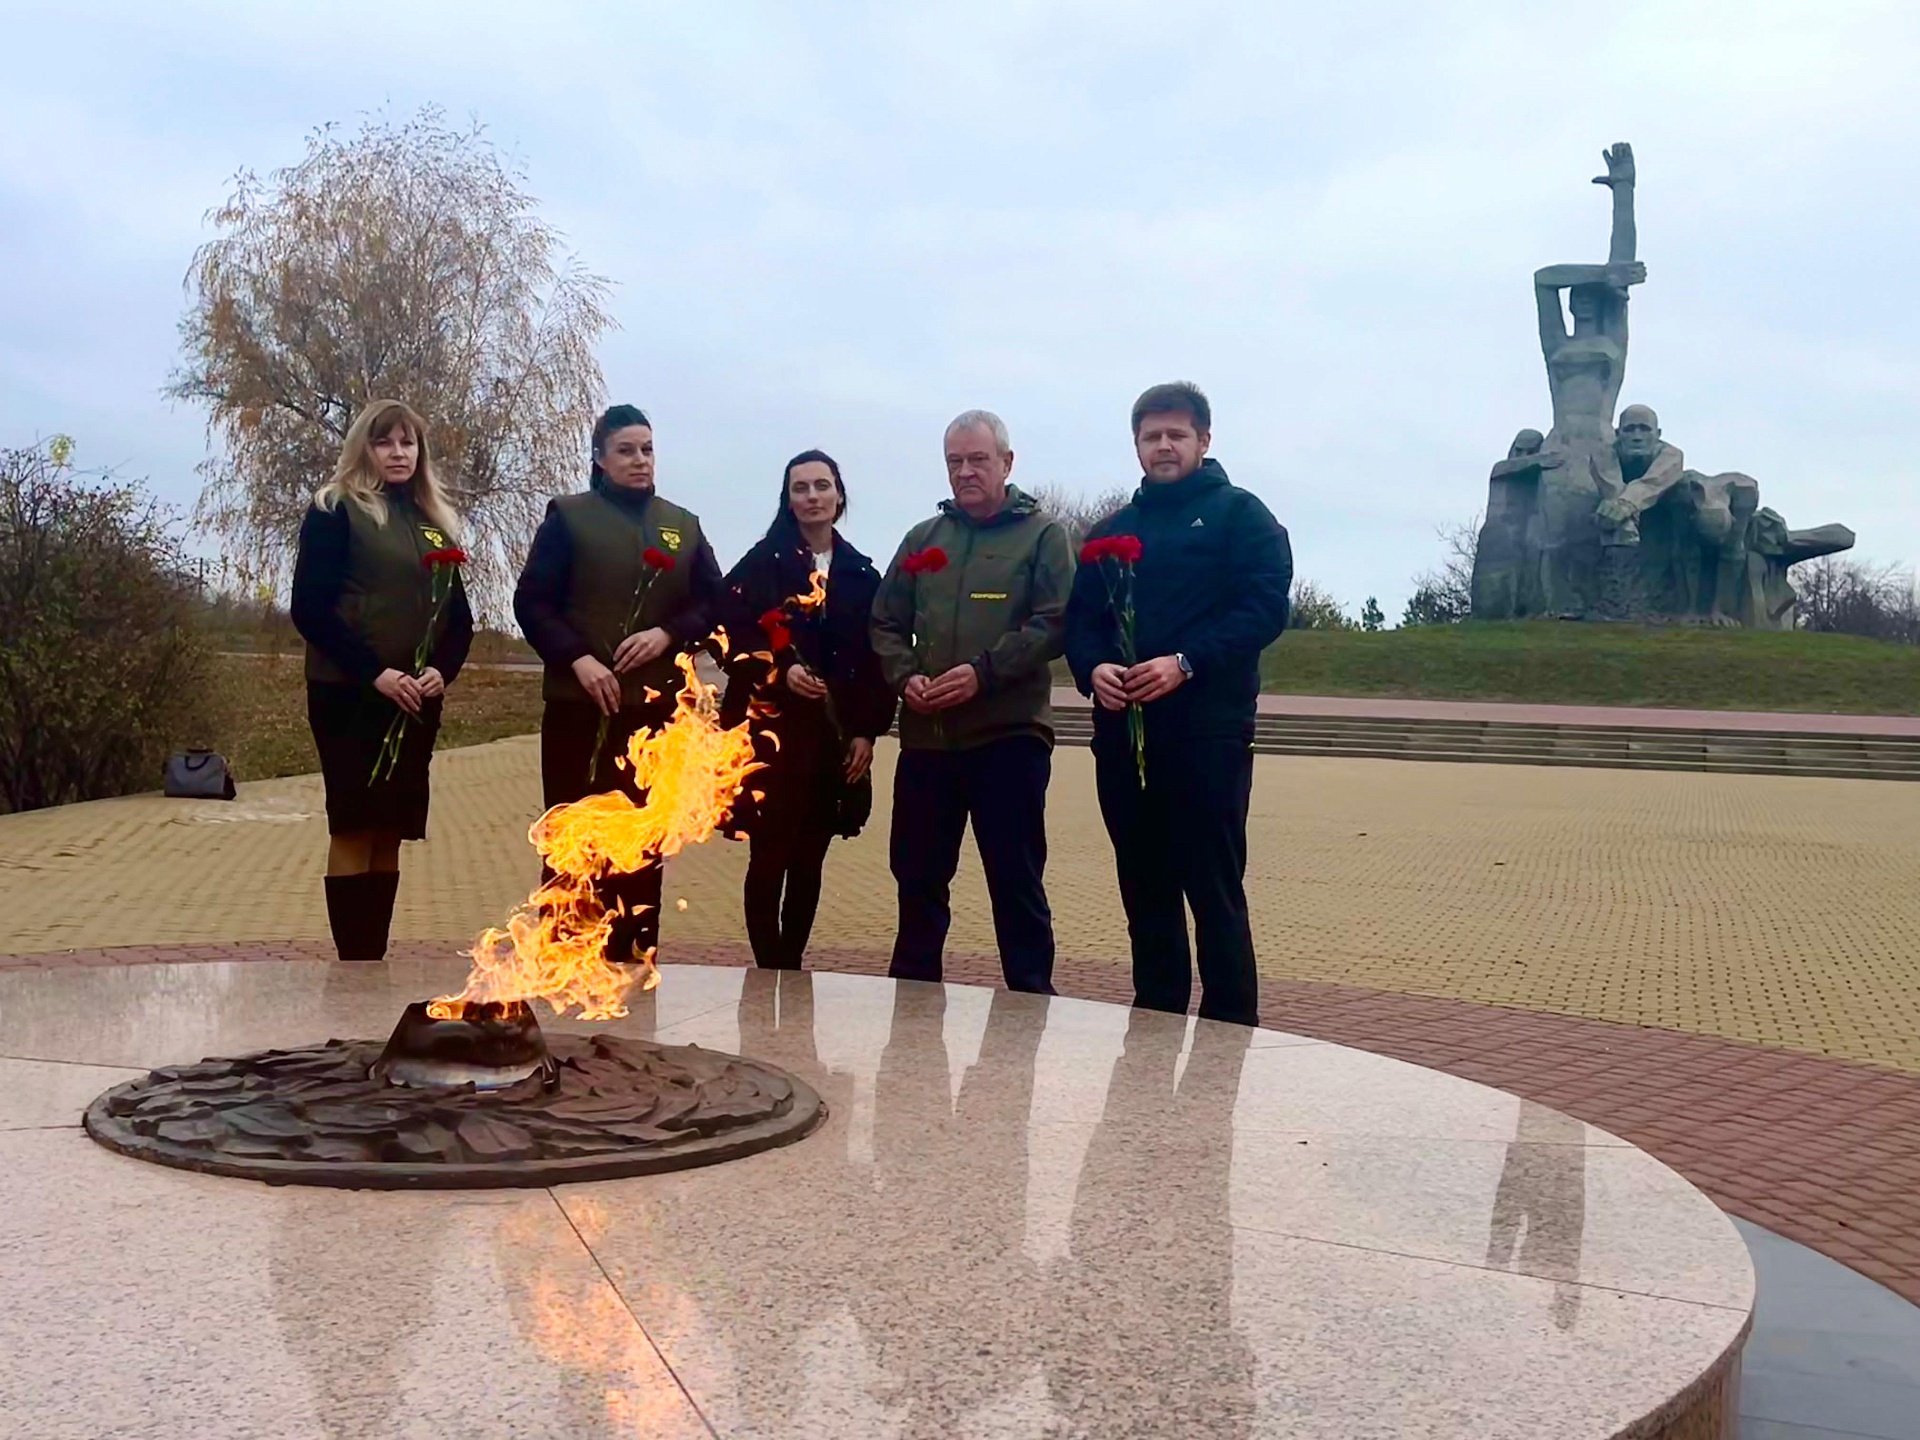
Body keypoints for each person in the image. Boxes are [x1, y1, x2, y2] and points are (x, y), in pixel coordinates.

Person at [1064, 381, 1291, 1026]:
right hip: (1123, 738)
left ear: (1204, 440)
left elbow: (1264, 609)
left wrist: (1186, 662)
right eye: (1151, 436)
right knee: (1144, 889)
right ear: (1136, 444)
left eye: (1177, 434)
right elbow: (1080, 622)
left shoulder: (1242, 516)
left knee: (1212, 888)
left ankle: (1229, 1030)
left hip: (1208, 736)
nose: (1163, 446)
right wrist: (1093, 669)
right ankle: (1155, 1020)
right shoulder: (1111, 532)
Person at [869, 409, 1073, 994]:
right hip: (928, 739)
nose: (965, 472)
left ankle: (1030, 1000)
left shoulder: (1044, 537)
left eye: (978, 460)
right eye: (954, 462)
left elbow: (1055, 622)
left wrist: (983, 674)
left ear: (1007, 462)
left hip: (1008, 738)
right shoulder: (923, 539)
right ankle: (911, 1002)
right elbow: (885, 622)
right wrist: (904, 676)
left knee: (1015, 881)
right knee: (917, 879)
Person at [513, 403, 724, 965]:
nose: (639, 460)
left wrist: (667, 633)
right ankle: (564, 959)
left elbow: (715, 602)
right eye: (626, 450)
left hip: (653, 720)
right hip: (578, 709)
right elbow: (532, 603)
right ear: (600, 458)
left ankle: (633, 958)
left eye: (647, 449)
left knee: (643, 841)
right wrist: (578, 659)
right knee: (574, 840)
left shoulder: (682, 526)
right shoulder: (570, 518)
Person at [291, 399, 473, 962]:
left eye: (408, 443)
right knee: (354, 824)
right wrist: (375, 673)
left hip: (413, 700)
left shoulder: (432, 522)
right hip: (349, 696)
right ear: (363, 448)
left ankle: (374, 957)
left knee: (390, 827)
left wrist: (440, 671)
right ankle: (354, 963)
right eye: (385, 441)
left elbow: (459, 619)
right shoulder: (335, 510)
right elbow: (310, 610)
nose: (399, 453)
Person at [718, 450, 896, 968]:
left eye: (822, 485)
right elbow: (727, 628)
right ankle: (767, 966)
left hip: (831, 737)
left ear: (839, 495)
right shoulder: (763, 563)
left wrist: (866, 731)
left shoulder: (861, 574)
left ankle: (791, 966)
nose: (813, 496)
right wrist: (779, 670)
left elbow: (878, 658)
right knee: (769, 854)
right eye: (801, 488)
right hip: (770, 735)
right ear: (788, 499)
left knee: (810, 855)